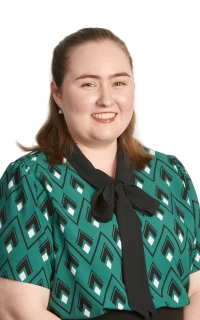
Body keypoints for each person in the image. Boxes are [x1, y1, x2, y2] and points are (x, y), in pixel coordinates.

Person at [0, 27, 199, 320]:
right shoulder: (31, 179)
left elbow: (196, 290)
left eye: (118, 82)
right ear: (57, 93)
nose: (107, 99)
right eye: (88, 84)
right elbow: (19, 311)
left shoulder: (171, 174)